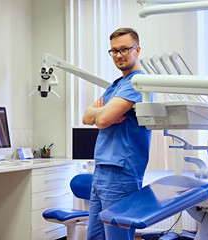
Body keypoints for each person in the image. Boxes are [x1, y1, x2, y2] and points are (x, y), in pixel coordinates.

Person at [82, 27, 152, 240]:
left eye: (124, 49)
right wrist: (103, 114)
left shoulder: (137, 82)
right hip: (102, 168)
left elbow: (101, 120)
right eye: (114, 51)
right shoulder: (117, 84)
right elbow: (87, 117)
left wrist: (102, 115)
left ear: (137, 50)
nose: (118, 55)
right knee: (94, 237)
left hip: (121, 170)